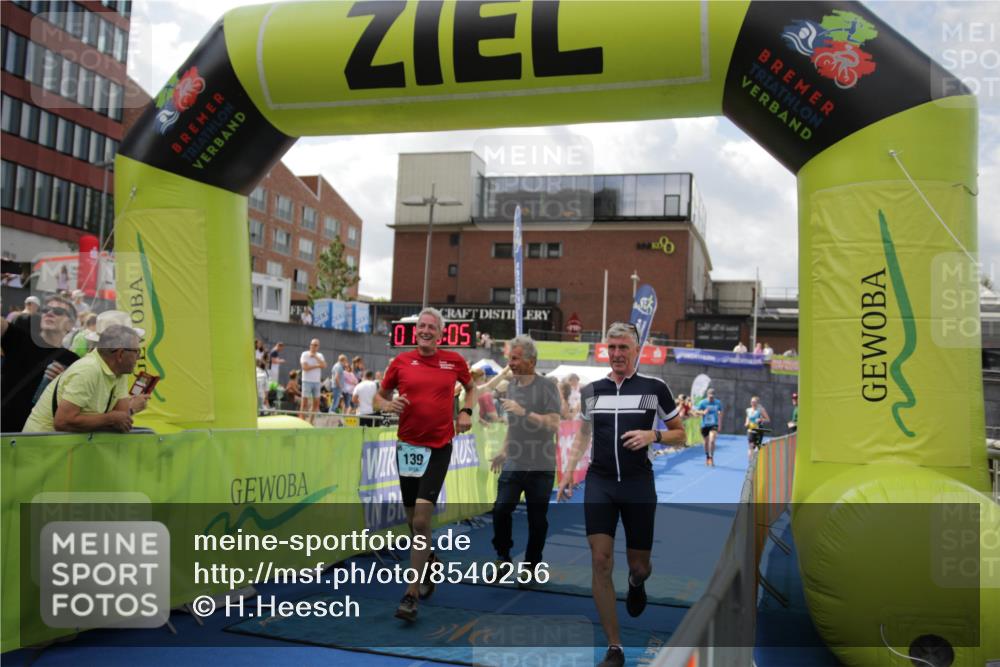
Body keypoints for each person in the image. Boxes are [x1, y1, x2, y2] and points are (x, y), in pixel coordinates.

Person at [556, 322, 685, 667]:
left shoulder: (654, 388)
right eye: (611, 347)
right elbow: (583, 433)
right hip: (600, 482)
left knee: (639, 565)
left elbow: (680, 433)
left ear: (636, 349)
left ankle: (636, 581)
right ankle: (615, 647)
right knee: (600, 560)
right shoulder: (592, 390)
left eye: (623, 347)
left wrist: (652, 436)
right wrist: (569, 471)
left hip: (637, 484)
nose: (616, 354)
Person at [374, 307, 475, 623]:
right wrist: (388, 405)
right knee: (411, 519)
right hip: (407, 447)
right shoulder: (401, 362)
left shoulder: (453, 361)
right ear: (415, 331)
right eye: (422, 326)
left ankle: (411, 593)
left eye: (432, 326)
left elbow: (471, 389)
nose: (426, 330)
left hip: (439, 448)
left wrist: (466, 413)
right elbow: (380, 396)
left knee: (420, 520)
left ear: (441, 332)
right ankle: (429, 558)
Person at [489, 336, 562, 581]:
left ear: (531, 361)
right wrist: (504, 450)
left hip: (542, 464)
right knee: (500, 509)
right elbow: (513, 424)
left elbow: (553, 423)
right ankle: (503, 556)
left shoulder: (548, 386)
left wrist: (525, 412)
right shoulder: (512, 386)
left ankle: (531, 565)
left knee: (537, 519)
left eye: (516, 359)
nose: (511, 364)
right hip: (516, 460)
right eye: (510, 358)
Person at [23, 319, 149, 433]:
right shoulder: (88, 370)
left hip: (61, 449)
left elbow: (120, 417)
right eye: (136, 351)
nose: (138, 357)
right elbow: (63, 422)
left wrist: (118, 416)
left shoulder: (119, 371)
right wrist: (111, 418)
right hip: (40, 450)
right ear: (120, 354)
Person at [1, 295, 79, 432]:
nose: (50, 313)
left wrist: (63, 383)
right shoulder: (21, 339)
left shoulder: (73, 361)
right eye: (45, 309)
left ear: (70, 324)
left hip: (35, 436)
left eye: (58, 312)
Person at [299, 338, 327, 423]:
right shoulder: (305, 354)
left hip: (317, 382)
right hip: (307, 381)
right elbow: (305, 368)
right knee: (304, 403)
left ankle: (311, 422)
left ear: (318, 347)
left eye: (315, 345)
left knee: (316, 403)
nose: (313, 346)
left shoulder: (320, 355)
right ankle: (301, 422)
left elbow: (324, 365)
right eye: (312, 344)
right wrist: (317, 365)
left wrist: (315, 357)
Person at [694, 388, 724, 466]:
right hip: (704, 425)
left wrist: (720, 424)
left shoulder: (718, 403)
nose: (711, 398)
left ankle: (711, 457)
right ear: (707, 395)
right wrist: (703, 412)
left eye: (712, 397)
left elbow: (720, 413)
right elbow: (696, 411)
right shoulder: (702, 402)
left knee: (712, 440)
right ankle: (707, 457)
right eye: (710, 396)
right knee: (706, 442)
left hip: (714, 424)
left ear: (714, 396)